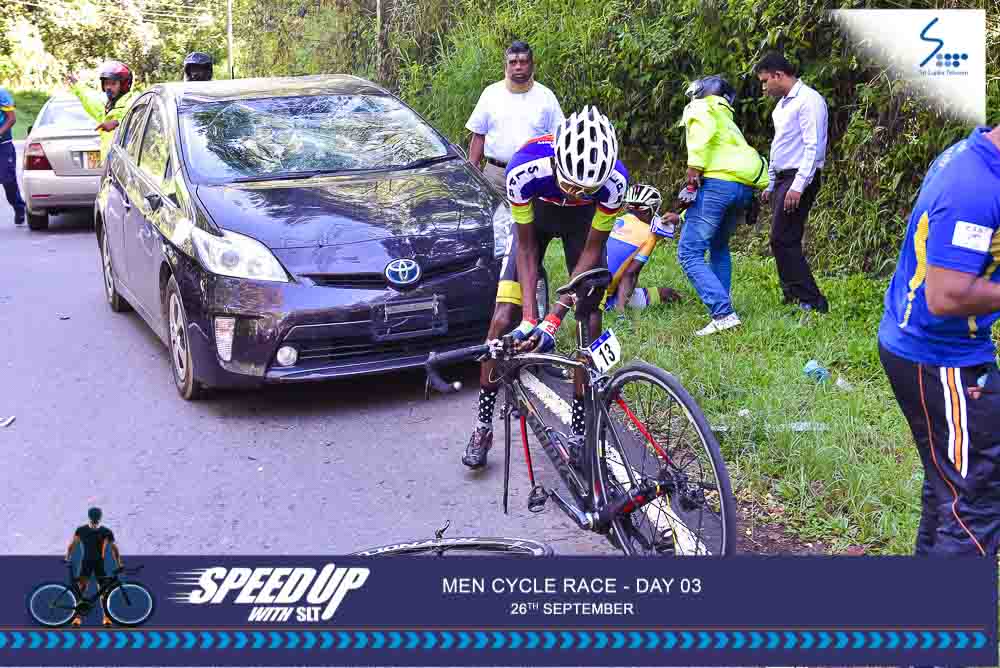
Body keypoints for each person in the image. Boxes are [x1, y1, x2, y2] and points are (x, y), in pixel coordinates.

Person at [463, 106, 629, 468]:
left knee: (590, 320)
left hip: (581, 227)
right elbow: (526, 248)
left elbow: (592, 250)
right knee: (501, 320)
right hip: (535, 220)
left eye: (586, 189)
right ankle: (483, 425)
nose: (575, 193)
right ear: (556, 162)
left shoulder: (615, 182)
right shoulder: (524, 167)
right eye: (570, 185)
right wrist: (529, 318)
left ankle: (580, 431)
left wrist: (553, 320)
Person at [879, 124, 1000, 557]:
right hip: (940, 358)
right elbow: (947, 294)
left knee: (950, 488)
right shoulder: (974, 186)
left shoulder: (975, 158)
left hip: (931, 348)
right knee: (976, 502)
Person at [677, 75, 769, 336]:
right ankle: (722, 303)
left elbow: (701, 134)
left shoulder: (702, 108)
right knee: (718, 246)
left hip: (717, 185)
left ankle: (723, 313)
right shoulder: (727, 119)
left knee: (689, 252)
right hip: (743, 189)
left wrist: (694, 166)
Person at [756, 52, 830, 313]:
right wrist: (771, 182)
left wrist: (798, 185)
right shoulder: (782, 106)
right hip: (784, 177)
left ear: (778, 75)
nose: (764, 87)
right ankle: (792, 294)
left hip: (800, 176)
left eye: (765, 81)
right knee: (783, 238)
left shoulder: (809, 100)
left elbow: (813, 146)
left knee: (782, 238)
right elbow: (780, 146)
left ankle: (812, 300)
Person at [465, 41, 564, 192]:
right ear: (506, 66)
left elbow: (560, 137)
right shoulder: (490, 94)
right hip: (496, 177)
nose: (518, 66)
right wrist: (472, 170)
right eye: (513, 62)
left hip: (535, 177)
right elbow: (479, 135)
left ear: (532, 65)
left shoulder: (546, 96)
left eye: (523, 62)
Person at [602, 184, 683, 315]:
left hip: (582, 290)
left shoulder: (615, 221)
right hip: (602, 299)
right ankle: (617, 305)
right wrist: (620, 310)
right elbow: (630, 274)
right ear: (648, 211)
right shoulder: (650, 234)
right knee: (666, 294)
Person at [70, 61, 139, 163]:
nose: (108, 87)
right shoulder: (108, 107)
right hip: (109, 164)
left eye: (113, 83)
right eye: (106, 83)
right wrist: (77, 85)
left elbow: (136, 116)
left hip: (125, 164)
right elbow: (89, 99)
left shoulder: (132, 101)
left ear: (124, 85)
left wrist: (117, 123)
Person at [64, 507, 123, 626]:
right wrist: (119, 563)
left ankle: (103, 617)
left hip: (93, 563)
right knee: (88, 590)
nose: (95, 519)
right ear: (99, 517)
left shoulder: (95, 530)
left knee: (97, 591)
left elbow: (72, 545)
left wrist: (67, 558)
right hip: (91, 563)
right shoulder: (100, 531)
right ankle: (80, 618)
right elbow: (114, 549)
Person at [0, 86, 25, 225]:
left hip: (3, 144)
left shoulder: (1, 93)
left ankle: (19, 207)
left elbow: (11, 118)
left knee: (8, 180)